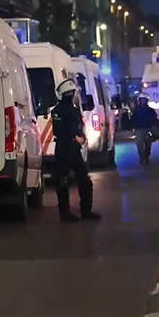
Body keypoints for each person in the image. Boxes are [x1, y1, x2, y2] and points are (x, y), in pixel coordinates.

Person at [51, 78, 101, 222]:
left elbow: (79, 126)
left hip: (74, 151)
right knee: (62, 182)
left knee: (84, 181)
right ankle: (65, 213)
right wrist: (74, 138)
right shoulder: (58, 111)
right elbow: (59, 131)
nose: (71, 95)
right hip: (63, 150)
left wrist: (82, 137)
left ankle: (85, 211)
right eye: (70, 93)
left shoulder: (73, 110)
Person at [131, 95, 158, 164]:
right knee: (139, 144)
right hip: (139, 129)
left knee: (148, 144)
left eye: (144, 100)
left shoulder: (150, 110)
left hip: (148, 129)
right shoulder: (136, 110)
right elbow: (132, 119)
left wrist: (153, 127)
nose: (143, 101)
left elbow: (154, 119)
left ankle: (146, 156)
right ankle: (142, 157)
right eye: (141, 100)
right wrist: (133, 127)